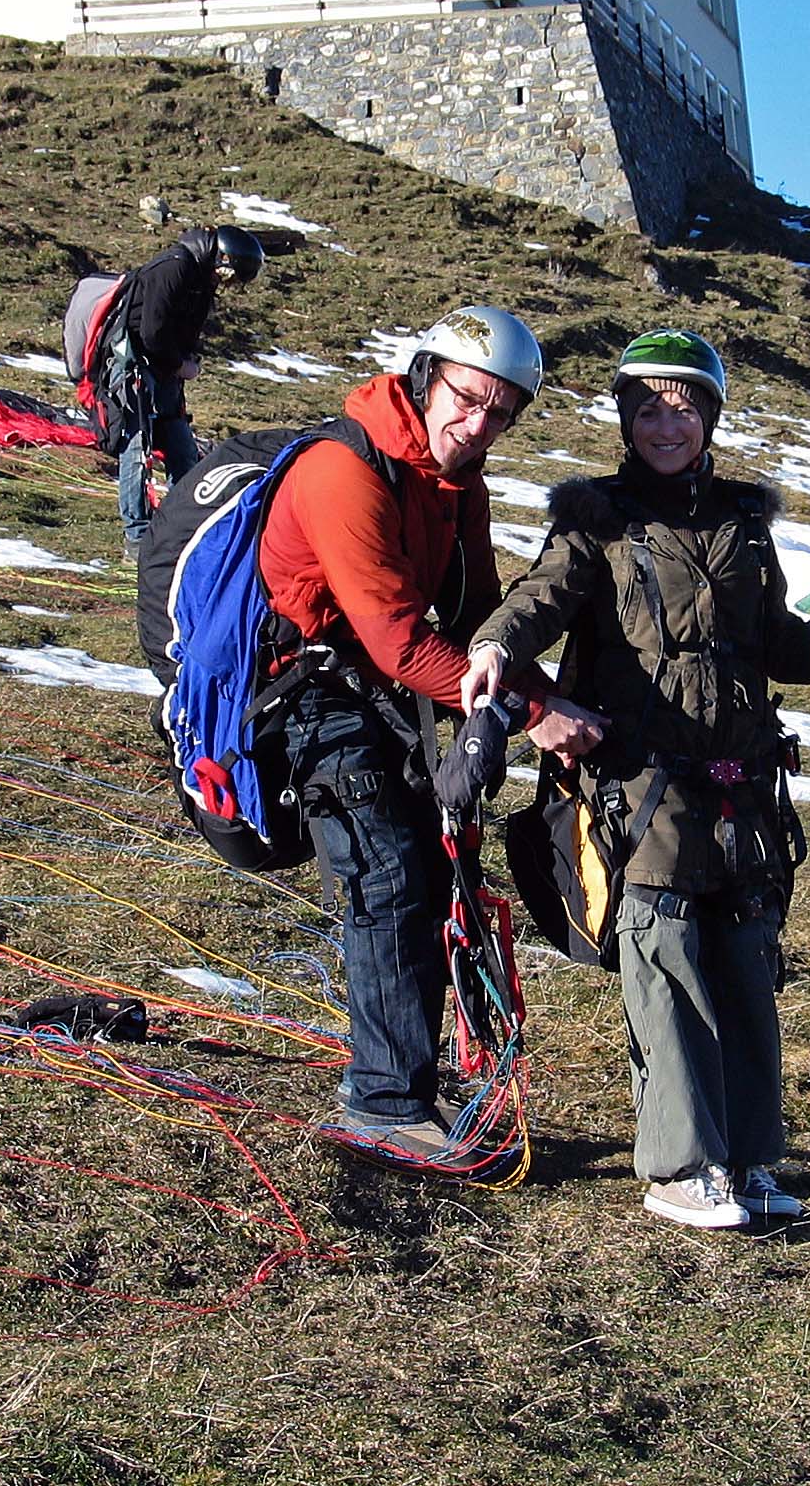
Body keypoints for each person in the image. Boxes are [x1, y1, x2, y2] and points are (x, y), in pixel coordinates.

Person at [461, 329, 810, 1229]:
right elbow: (538, 599)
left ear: (710, 415)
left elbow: (780, 640)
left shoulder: (745, 523)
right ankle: (680, 1168)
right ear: (624, 420)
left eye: (682, 405)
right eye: (645, 407)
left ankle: (750, 1160)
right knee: (666, 954)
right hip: (640, 782)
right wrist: (495, 645)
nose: (664, 422)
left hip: (742, 781)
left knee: (743, 961)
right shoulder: (594, 516)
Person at [259, 305, 608, 1160]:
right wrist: (532, 715)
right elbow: (399, 640)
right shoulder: (345, 470)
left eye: (501, 412)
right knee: (390, 878)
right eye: (466, 398)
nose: (478, 422)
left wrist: (554, 698)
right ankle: (383, 1105)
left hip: (383, 695)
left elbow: (478, 619)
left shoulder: (461, 482)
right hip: (308, 697)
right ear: (426, 379)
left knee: (424, 871)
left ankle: (403, 1085)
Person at [112, 224, 266, 555]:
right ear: (221, 260)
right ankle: (138, 538)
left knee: (183, 451)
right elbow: (152, 334)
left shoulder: (199, 279)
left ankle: (187, 527)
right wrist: (180, 365)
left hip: (166, 374)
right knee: (138, 448)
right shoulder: (173, 269)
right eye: (229, 278)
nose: (226, 286)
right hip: (137, 368)